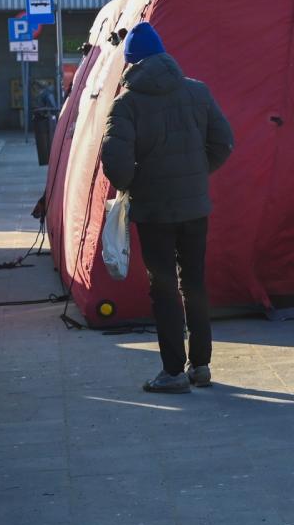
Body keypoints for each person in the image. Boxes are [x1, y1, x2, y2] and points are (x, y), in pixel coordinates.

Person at [100, 22, 234, 393]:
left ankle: (172, 371)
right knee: (194, 282)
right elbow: (224, 142)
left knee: (163, 289)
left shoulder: (126, 105)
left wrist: (135, 184)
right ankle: (201, 365)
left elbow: (115, 162)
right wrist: (194, 174)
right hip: (195, 207)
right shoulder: (197, 92)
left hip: (153, 211)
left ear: (131, 63)